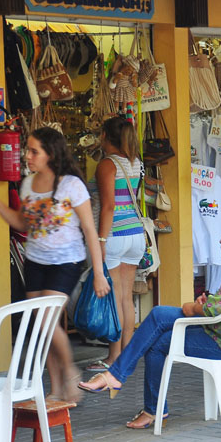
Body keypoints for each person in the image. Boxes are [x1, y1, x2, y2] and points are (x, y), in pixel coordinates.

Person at [78, 213, 221, 429]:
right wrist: (207, 303)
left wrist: (193, 308)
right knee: (158, 335)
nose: (220, 240)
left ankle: (120, 379)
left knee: (158, 317)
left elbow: (216, 309)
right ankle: (147, 404)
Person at [0, 127, 110, 402]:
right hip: (35, 262)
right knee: (43, 328)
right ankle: (57, 389)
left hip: (66, 262)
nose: (27, 156)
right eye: (27, 150)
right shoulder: (28, 184)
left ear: (51, 153)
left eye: (34, 151)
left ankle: (70, 373)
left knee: (45, 321)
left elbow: (90, 231)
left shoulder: (71, 184)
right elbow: (24, 224)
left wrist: (99, 274)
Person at [85, 117, 146, 371]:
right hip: (135, 234)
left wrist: (100, 239)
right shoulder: (136, 163)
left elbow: (108, 206)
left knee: (115, 298)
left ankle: (113, 358)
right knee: (126, 298)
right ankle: (126, 357)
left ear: (104, 136)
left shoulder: (107, 165)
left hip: (115, 235)